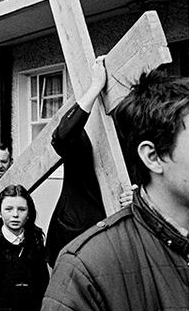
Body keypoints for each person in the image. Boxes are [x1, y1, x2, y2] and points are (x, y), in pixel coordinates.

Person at [26, 69, 189, 311]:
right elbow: (62, 137)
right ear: (152, 155)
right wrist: (92, 89)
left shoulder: (135, 160)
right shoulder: (84, 147)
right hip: (83, 236)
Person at [46, 56, 133, 266]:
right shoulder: (82, 137)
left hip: (117, 238)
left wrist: (139, 196)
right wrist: (95, 88)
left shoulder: (133, 141)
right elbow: (61, 136)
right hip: (74, 233)